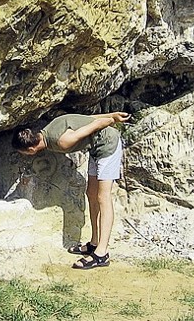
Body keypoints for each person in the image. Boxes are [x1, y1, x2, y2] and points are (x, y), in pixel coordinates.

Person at [11, 112, 131, 270]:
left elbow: (97, 124)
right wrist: (114, 114)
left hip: (108, 146)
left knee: (103, 197)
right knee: (91, 194)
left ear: (31, 149)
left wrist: (111, 119)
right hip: (96, 149)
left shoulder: (62, 142)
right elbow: (85, 119)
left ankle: (102, 253)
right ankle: (94, 244)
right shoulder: (48, 131)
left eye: (24, 153)